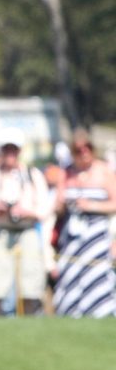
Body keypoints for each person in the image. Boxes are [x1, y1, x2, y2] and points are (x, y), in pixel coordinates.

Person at [0, 129, 50, 317]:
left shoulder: (33, 175)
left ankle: (29, 320)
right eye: (6, 150)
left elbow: (44, 209)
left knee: (31, 282)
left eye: (13, 150)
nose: (10, 154)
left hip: (27, 229)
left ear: (19, 151)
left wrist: (26, 211)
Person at [52, 130, 116, 316]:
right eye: (78, 150)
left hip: (96, 234)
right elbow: (58, 205)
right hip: (72, 234)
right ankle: (70, 312)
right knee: (71, 272)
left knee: (96, 275)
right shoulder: (67, 172)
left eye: (87, 149)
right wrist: (64, 204)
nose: (84, 153)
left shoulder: (104, 171)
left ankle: (99, 311)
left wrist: (91, 205)